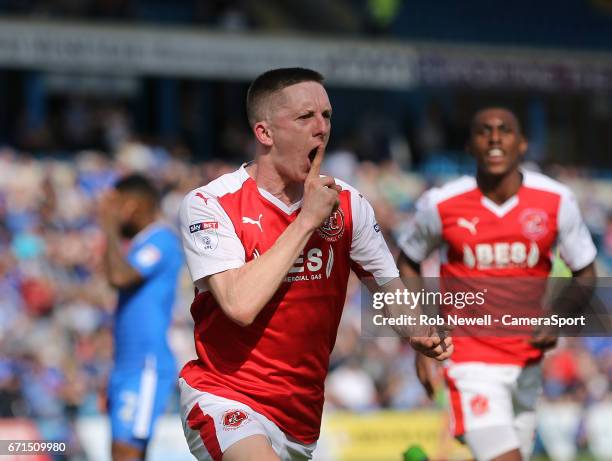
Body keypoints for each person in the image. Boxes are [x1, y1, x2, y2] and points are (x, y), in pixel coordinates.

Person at [178, 67, 453, 461]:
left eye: (327, 116)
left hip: (301, 419)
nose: (321, 128)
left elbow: (390, 290)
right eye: (305, 117)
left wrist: (421, 333)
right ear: (265, 133)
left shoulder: (349, 205)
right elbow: (238, 304)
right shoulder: (210, 204)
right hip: (225, 397)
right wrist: (307, 220)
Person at [397, 107, 597, 461]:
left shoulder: (556, 200)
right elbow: (408, 262)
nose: (493, 137)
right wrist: (422, 337)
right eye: (483, 131)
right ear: (469, 146)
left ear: (522, 145)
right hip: (468, 361)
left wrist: (559, 317)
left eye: (504, 130)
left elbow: (586, 272)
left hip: (527, 365)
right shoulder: (441, 204)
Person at [98, 174, 184, 461]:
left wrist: (108, 227)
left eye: (116, 205)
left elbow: (120, 277)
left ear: (132, 206)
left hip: (144, 363)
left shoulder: (161, 240)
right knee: (126, 452)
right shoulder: (139, 245)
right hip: (126, 364)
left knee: (125, 452)